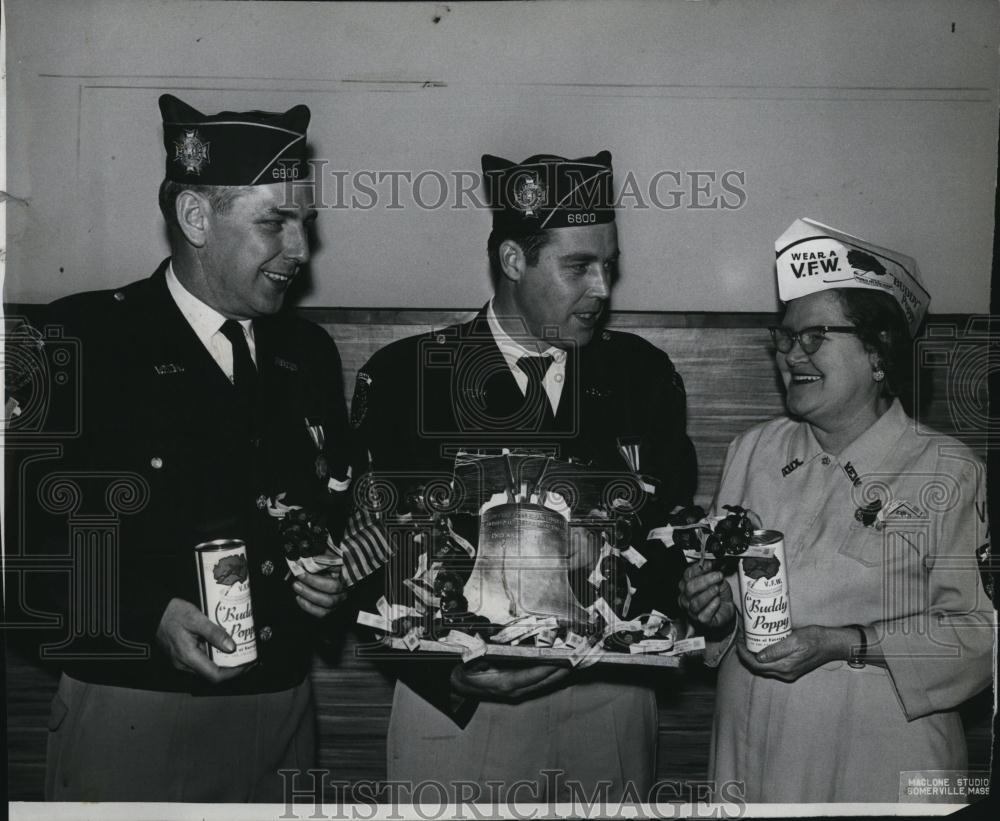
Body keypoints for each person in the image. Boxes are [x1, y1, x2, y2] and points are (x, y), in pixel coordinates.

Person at [349, 151, 697, 802]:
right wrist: (447, 676)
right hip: (461, 706)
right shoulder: (405, 378)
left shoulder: (641, 376)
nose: (602, 288)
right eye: (578, 266)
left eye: (609, 266)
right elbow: (369, 555)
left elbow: (668, 524)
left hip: (608, 699)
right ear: (513, 260)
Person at [33, 94, 352, 802]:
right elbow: (23, 548)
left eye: (304, 223)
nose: (301, 250)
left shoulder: (308, 354)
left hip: (283, 710)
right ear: (196, 217)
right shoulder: (82, 342)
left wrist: (332, 579)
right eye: (274, 222)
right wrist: (145, 618)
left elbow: (325, 508)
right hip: (136, 713)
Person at [678, 218, 993, 803]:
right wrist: (711, 611)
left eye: (814, 336)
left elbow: (980, 638)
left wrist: (847, 642)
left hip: (879, 768)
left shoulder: (947, 472)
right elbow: (721, 615)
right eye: (785, 336)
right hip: (753, 759)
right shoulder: (753, 452)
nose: (790, 354)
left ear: (878, 354)